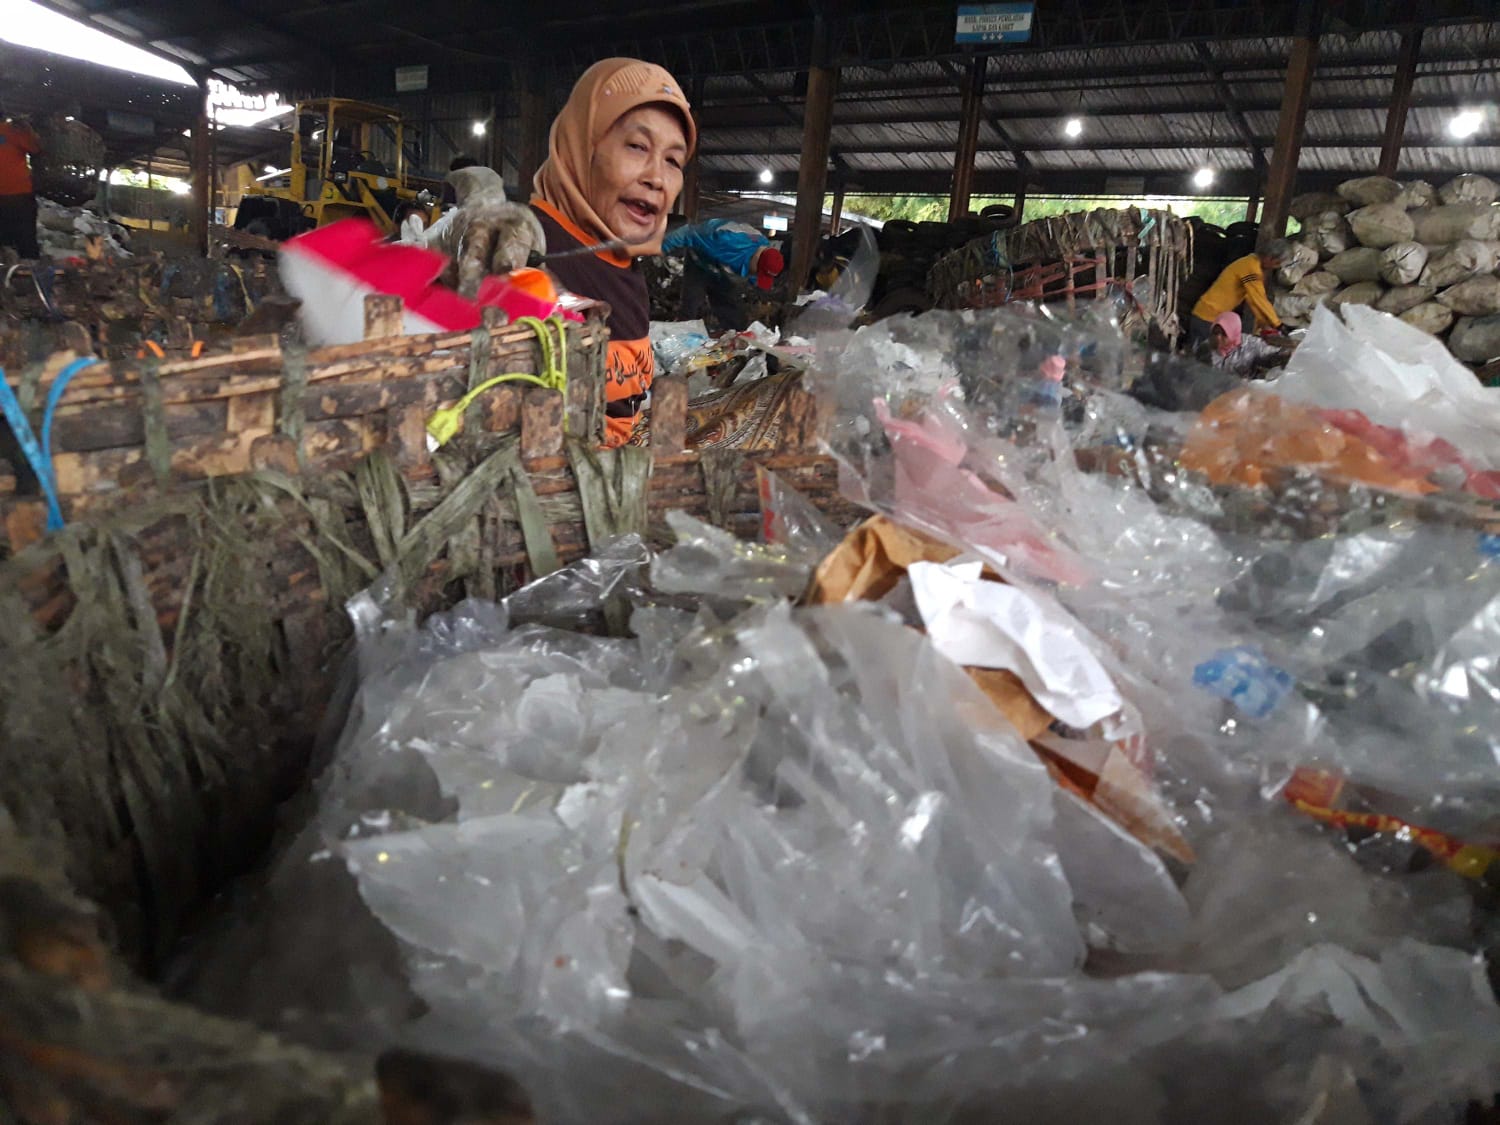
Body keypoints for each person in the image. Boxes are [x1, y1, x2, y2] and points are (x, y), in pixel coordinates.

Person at [529, 58, 694, 447]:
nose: (656, 177)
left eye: (673, 160)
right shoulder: (528, 248)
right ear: (584, 145)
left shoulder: (626, 268)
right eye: (637, 146)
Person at [1189, 239, 1291, 344]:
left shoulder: (1250, 263)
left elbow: (1252, 300)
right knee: (1201, 355)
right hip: (1207, 315)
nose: (1274, 268)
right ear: (1269, 257)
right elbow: (1259, 298)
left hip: (1211, 316)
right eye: (1276, 263)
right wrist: (1278, 324)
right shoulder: (1251, 267)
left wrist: (1263, 324)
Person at [0, 114, 41, 260]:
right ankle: (30, 278)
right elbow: (36, 148)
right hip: (19, 197)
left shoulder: (12, 129)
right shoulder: (15, 130)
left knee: (5, 246)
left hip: (13, 197)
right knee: (26, 243)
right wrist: (27, 128)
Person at [1206, 310, 1293, 378]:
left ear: (1233, 332)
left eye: (1224, 334)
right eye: (1215, 333)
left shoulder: (1248, 344)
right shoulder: (1206, 349)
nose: (1218, 337)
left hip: (1243, 391)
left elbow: (1271, 354)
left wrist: (1285, 356)